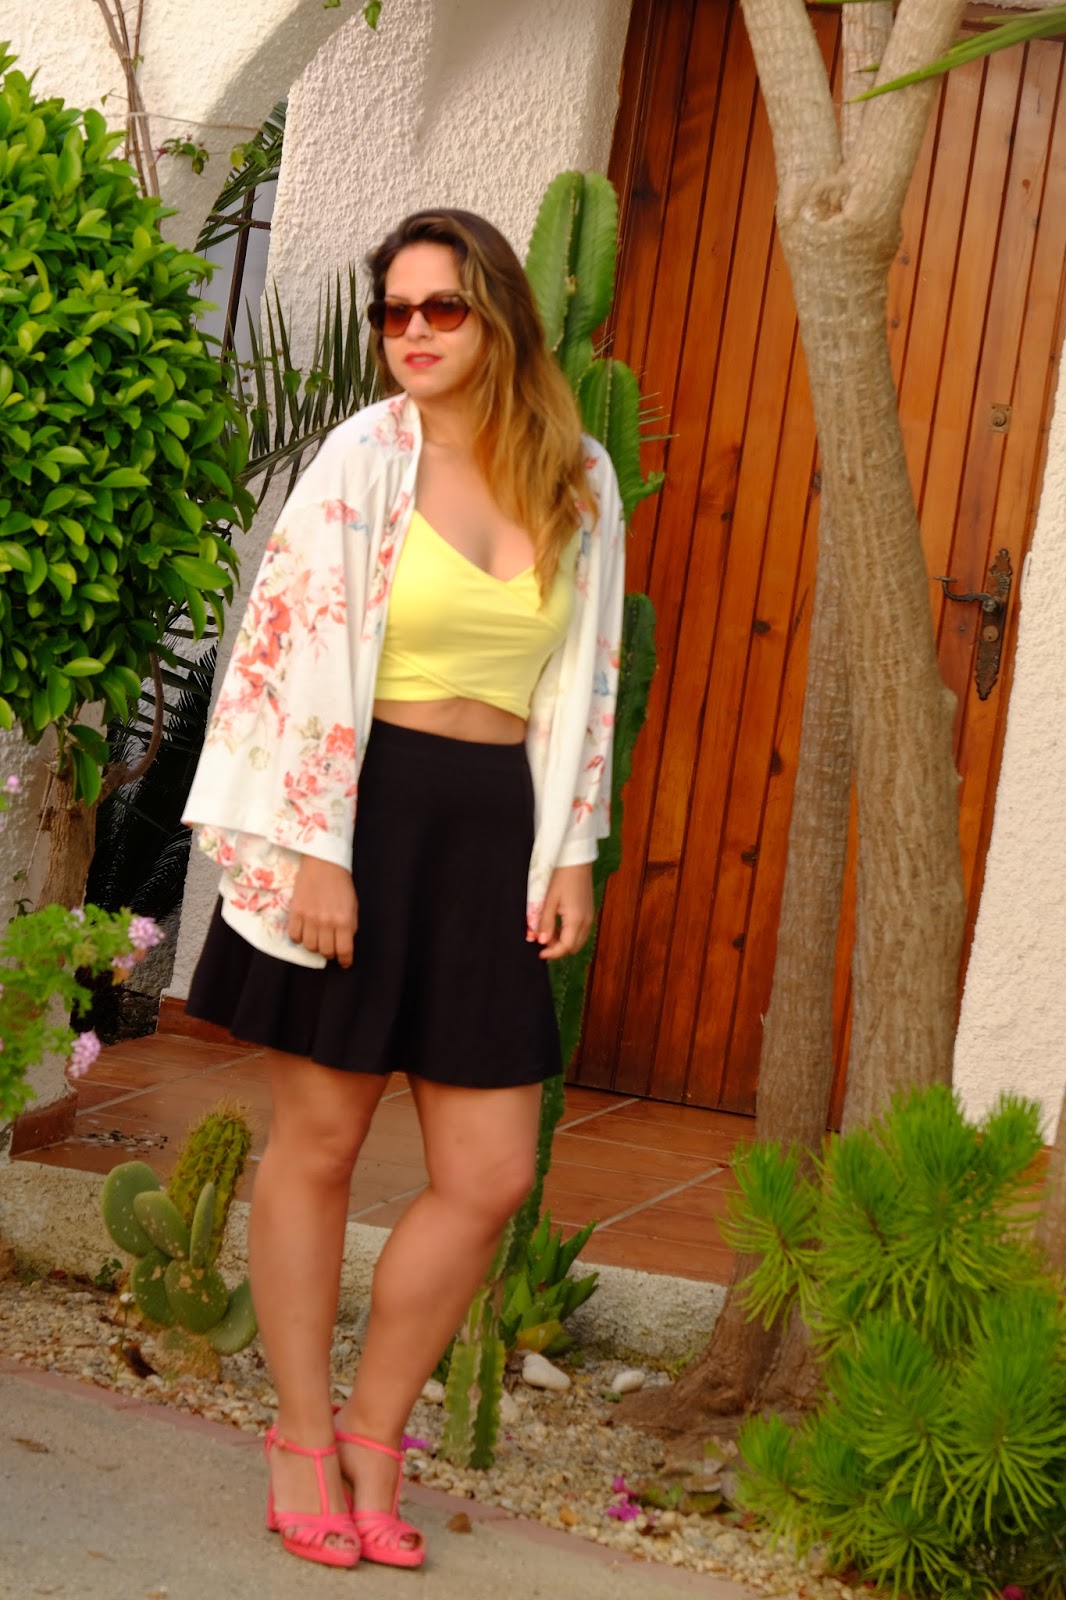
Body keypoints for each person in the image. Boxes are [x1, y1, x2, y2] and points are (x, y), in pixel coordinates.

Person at [181, 207, 626, 1570]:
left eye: (443, 308)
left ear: (501, 317)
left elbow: (588, 670)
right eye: (394, 311)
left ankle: (377, 1437)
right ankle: (301, 1439)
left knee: (489, 1174)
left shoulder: (579, 473)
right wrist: (317, 848)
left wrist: (571, 847)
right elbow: (295, 647)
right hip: (358, 814)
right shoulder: (363, 457)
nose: (413, 333)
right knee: (316, 1147)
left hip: (493, 831)